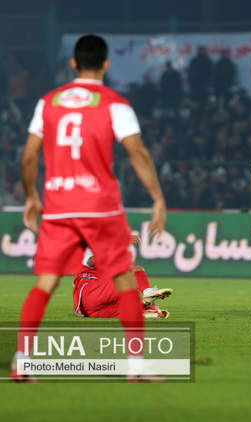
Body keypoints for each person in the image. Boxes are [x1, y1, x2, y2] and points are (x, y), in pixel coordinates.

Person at [11, 34, 166, 381]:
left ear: (73, 63)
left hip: (59, 205)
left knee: (44, 284)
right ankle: (136, 366)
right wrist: (157, 198)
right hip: (99, 206)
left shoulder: (48, 103)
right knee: (125, 280)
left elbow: (28, 156)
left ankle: (21, 363)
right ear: (106, 64)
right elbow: (138, 153)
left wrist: (31, 196)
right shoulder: (114, 104)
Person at [74, 237, 172, 319]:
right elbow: (91, 261)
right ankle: (148, 293)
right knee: (133, 272)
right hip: (92, 291)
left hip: (92, 310)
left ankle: (149, 312)